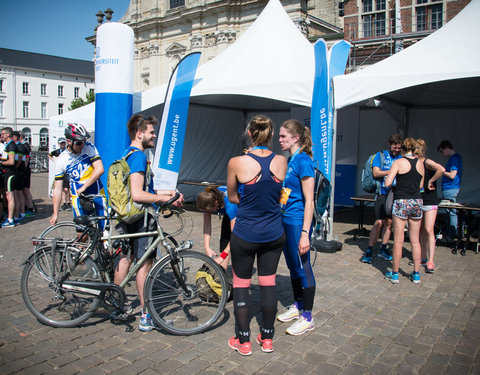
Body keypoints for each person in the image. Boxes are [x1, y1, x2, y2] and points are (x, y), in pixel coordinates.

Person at [113, 114, 184, 332]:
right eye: (151, 132)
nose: (154, 135)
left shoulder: (127, 154)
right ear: (139, 133)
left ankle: (116, 305)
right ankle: (146, 316)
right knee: (144, 263)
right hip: (141, 217)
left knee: (124, 259)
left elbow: (143, 188)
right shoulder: (139, 158)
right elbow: (137, 194)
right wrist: (163, 199)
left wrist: (167, 193)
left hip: (125, 216)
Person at [226, 115, 287, 355]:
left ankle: (243, 341)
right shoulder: (282, 161)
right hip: (274, 232)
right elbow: (276, 194)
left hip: (245, 233)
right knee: (268, 283)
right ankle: (268, 339)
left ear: (249, 133)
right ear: (271, 135)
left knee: (241, 284)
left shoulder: (236, 162)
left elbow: (231, 196)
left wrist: (248, 203)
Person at [276, 119, 316, 336]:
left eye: (283, 136)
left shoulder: (304, 161)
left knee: (303, 268)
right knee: (292, 266)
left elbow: (309, 200)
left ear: (295, 137)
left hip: (297, 222)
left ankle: (308, 317)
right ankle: (298, 306)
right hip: (285, 218)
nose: (279, 139)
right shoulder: (291, 158)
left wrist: (304, 234)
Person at [50, 123, 107, 227]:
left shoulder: (89, 147)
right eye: (79, 142)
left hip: (97, 193)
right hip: (78, 198)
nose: (82, 145)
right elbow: (57, 189)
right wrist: (55, 214)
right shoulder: (61, 160)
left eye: (84, 141)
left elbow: (99, 169)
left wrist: (84, 187)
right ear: (68, 141)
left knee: (104, 231)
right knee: (82, 235)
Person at [384, 138, 424, 284]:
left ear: (402, 149)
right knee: (415, 240)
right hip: (417, 201)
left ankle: (395, 274)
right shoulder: (420, 162)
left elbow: (388, 183)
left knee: (398, 241)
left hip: (401, 200)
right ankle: (416, 274)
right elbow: (420, 185)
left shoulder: (398, 162)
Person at [361, 134, 403, 263]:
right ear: (389, 144)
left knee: (389, 223)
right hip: (382, 193)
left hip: (395, 194)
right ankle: (369, 250)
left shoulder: (401, 158)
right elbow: (376, 173)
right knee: (379, 222)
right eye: (394, 147)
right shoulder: (380, 156)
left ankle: (383, 248)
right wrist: (393, 171)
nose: (396, 150)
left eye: (399, 148)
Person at [415, 139, 444, 273]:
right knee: (420, 231)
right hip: (419, 200)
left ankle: (431, 261)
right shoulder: (415, 163)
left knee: (428, 230)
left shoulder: (427, 162)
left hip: (430, 201)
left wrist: (431, 181)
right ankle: (423, 257)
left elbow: (441, 169)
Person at [196, 185, 237, 270]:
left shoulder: (230, 206)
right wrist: (207, 247)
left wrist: (222, 257)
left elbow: (235, 234)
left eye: (209, 211)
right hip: (227, 210)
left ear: (216, 203)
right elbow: (207, 225)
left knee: (238, 244)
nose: (207, 213)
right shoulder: (208, 198)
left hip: (245, 210)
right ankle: (222, 272)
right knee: (224, 240)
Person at [437, 140, 462, 240]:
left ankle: (451, 235)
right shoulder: (455, 158)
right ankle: (450, 233)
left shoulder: (454, 158)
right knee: (450, 212)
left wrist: (442, 171)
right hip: (450, 188)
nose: (443, 154)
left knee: (451, 212)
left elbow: (452, 175)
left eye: (442, 151)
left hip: (450, 188)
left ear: (446, 148)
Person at [1, 127, 17, 227]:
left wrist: (2, 162)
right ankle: (12, 216)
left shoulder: (11, 145)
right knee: (10, 196)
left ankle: (10, 219)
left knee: (10, 196)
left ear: (7, 134)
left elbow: (11, 161)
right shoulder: (8, 145)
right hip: (8, 173)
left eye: (2, 134)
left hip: (10, 173)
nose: (1, 136)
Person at [49, 137, 71, 211]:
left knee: (66, 189)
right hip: (61, 172)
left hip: (67, 171)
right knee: (61, 188)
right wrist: (55, 161)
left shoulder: (67, 151)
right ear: (58, 144)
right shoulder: (58, 152)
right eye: (61, 143)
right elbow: (49, 154)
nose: (63, 144)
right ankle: (64, 203)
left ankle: (68, 203)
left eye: (64, 143)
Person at [12, 131, 27, 224]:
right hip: (20, 171)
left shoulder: (20, 147)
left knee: (19, 193)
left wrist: (15, 167)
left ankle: (21, 213)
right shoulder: (19, 146)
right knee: (18, 193)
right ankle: (20, 212)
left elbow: (21, 160)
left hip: (19, 172)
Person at [19, 131, 35, 217]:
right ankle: (27, 207)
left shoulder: (25, 146)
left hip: (25, 170)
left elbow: (26, 158)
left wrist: (24, 167)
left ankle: (29, 208)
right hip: (26, 170)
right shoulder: (26, 145)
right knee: (24, 190)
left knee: (25, 189)